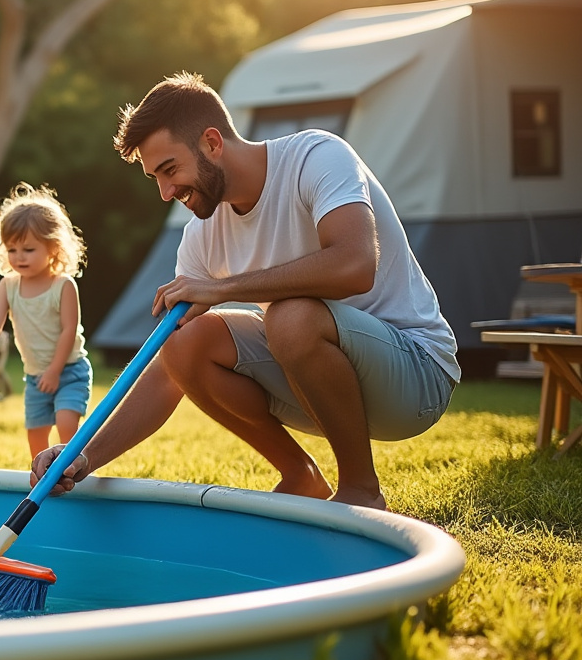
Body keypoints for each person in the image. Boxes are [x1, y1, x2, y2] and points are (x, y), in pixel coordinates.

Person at [32, 72, 459, 511]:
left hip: (415, 377)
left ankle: (360, 489)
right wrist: (82, 456)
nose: (164, 192)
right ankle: (300, 474)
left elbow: (355, 265)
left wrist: (221, 288)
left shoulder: (316, 156)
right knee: (183, 341)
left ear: (213, 143)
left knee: (290, 316)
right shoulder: (203, 233)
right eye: (154, 178)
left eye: (170, 170)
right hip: (321, 387)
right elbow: (167, 371)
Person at [0, 182, 92, 459]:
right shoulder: (9, 285)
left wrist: (55, 371)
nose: (19, 257)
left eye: (28, 249)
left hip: (69, 371)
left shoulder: (63, 285)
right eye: (12, 250)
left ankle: (76, 471)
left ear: (53, 248)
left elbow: (69, 331)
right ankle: (42, 478)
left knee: (66, 424)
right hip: (35, 377)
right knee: (36, 433)